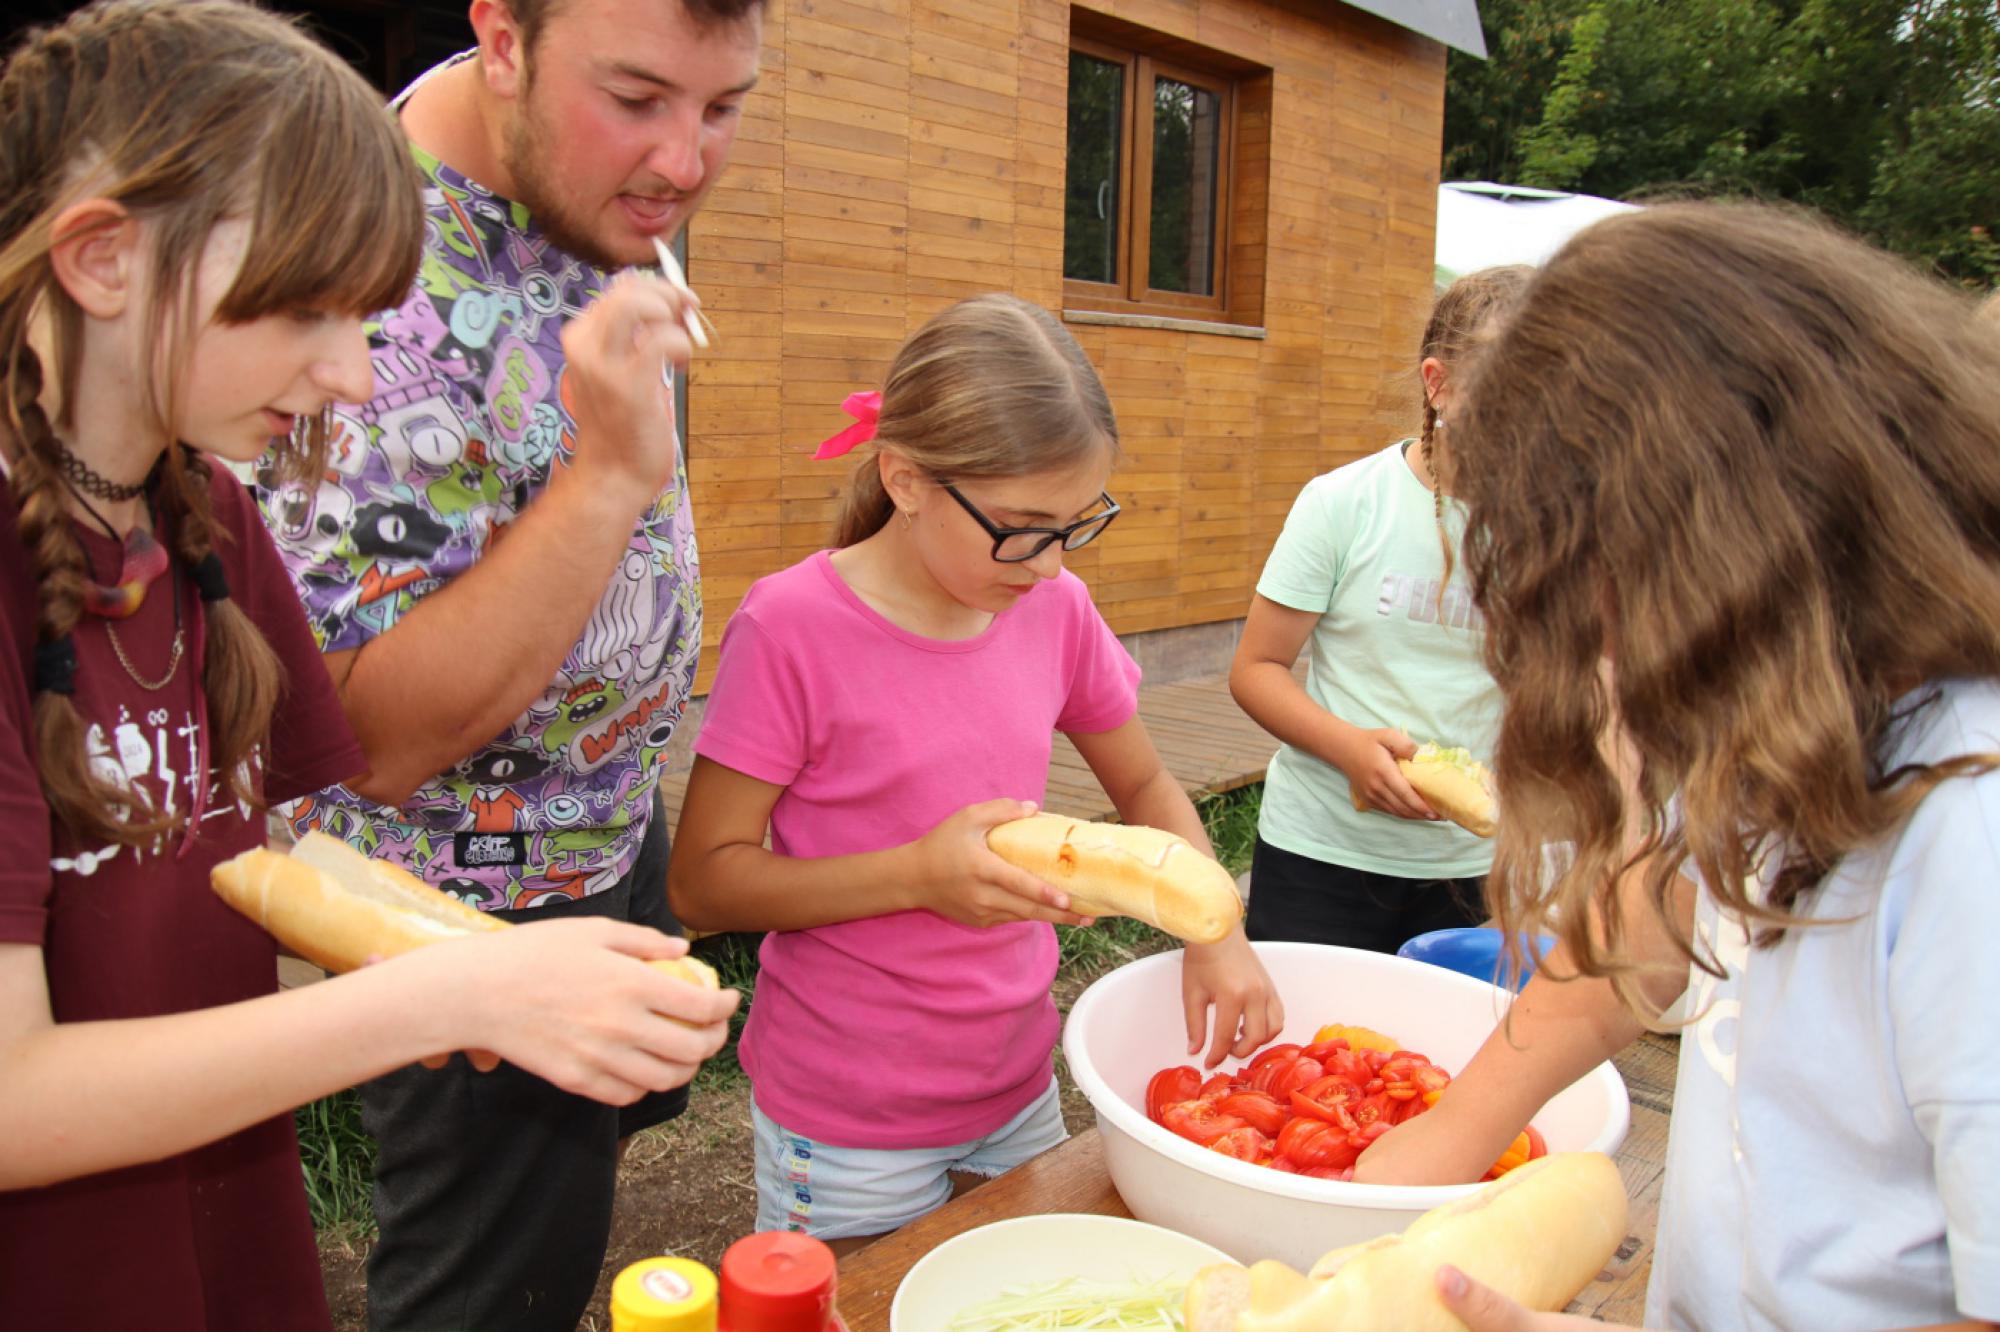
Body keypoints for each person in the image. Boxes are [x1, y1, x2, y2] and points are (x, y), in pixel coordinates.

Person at [0, 5, 735, 1331]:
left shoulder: (206, 523)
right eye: (308, 309)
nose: (350, 374)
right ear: (102, 257)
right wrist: (458, 988)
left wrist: (513, 967)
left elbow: (258, 866)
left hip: (216, 1240)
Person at [1351, 204, 2000, 1332]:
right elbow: (1640, 927)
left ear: (1730, 539)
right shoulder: (1804, 708)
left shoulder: (1970, 826)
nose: (1591, 640)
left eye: (1591, 573)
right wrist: (1435, 1145)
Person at [247, 0, 765, 1326]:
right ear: (502, 40)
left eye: (722, 107)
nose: (683, 162)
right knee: (489, 1285)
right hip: (464, 905)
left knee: (598, 1151)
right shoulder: (356, 273)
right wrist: (607, 478)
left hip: (604, 818)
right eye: (636, 98)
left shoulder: (578, 170)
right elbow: (364, 741)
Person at [668, 293, 1284, 1251]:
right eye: (1023, 527)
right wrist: (918, 876)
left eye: (1075, 526)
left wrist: (1218, 931)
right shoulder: (790, 628)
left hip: (1017, 1086)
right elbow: (703, 881)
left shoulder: (1057, 608)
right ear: (906, 480)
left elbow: (1147, 789)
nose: (1048, 565)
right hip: (847, 1118)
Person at [1227, 266, 1531, 952]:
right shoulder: (1342, 504)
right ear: (1438, 384)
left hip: (1473, 867)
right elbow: (1256, 670)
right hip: (1320, 852)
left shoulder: (1556, 530)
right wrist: (1351, 750)